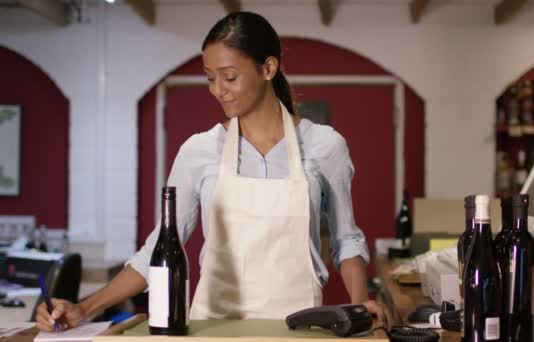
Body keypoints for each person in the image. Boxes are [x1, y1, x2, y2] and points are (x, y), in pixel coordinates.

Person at [35, 11, 385, 331]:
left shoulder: (325, 146)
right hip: (213, 329)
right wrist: (85, 308)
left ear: (268, 68)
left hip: (299, 328)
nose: (218, 90)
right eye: (210, 78)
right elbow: (156, 250)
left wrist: (358, 312)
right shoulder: (198, 151)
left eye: (229, 77)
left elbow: (347, 241)